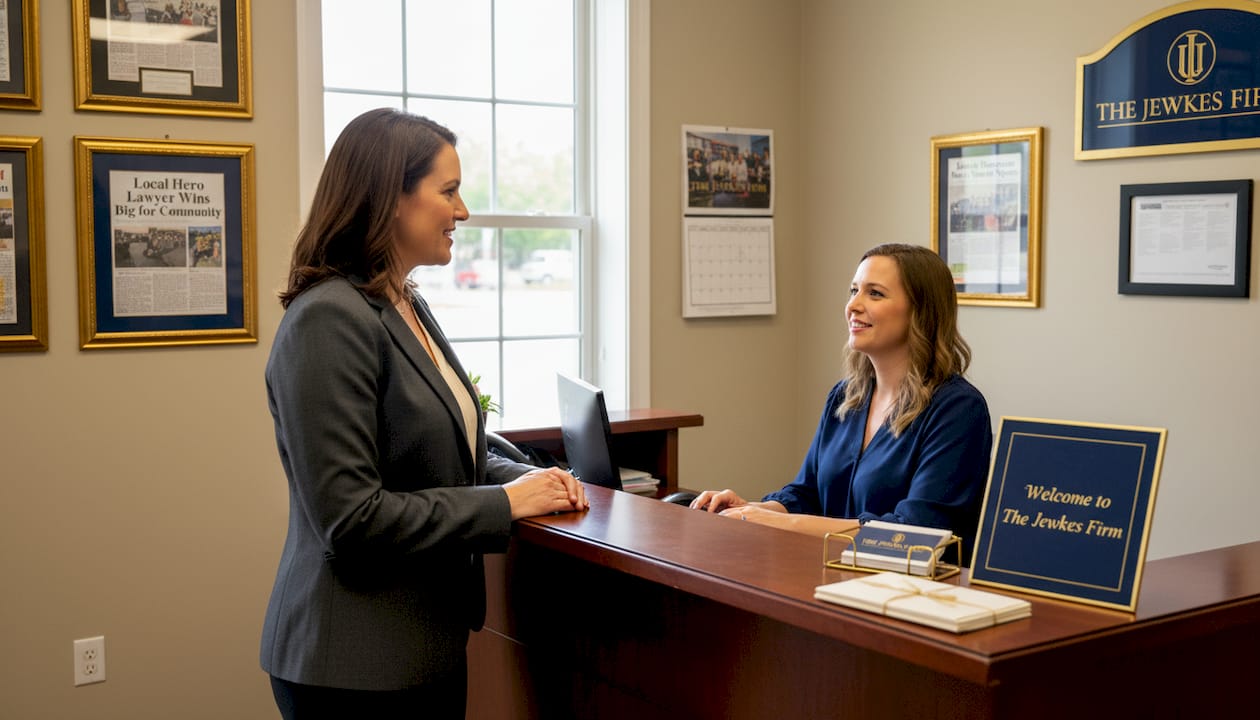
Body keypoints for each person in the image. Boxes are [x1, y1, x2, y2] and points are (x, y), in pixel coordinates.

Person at [260, 108, 588, 719]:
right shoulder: (329, 320)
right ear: (390, 199)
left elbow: (443, 454)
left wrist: (525, 480)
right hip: (353, 668)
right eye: (449, 191)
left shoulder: (403, 301)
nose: (462, 212)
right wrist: (505, 505)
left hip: (425, 650)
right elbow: (350, 519)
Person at [690, 243, 992, 557]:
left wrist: (775, 523)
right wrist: (749, 510)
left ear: (921, 311)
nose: (853, 305)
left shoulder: (958, 410)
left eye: (874, 293)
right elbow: (806, 494)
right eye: (853, 291)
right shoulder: (845, 397)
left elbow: (915, 534)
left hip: (909, 591)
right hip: (832, 572)